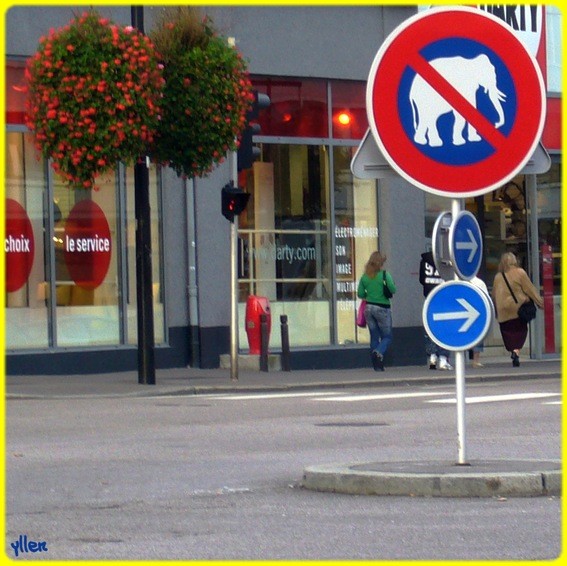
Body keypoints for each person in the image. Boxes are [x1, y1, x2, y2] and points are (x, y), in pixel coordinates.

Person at [491, 252, 543, 367]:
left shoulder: (498, 277)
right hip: (517, 309)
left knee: (508, 333)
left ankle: (513, 351)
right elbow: (530, 289)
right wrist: (540, 303)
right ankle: (516, 352)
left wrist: (494, 310)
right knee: (520, 332)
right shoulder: (520, 273)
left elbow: (494, 295)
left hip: (503, 312)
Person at [357, 251, 396, 371]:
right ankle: (378, 352)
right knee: (387, 337)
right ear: (380, 263)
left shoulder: (365, 277)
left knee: (374, 336)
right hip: (382, 308)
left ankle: (377, 366)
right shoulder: (385, 275)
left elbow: (360, 294)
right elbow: (393, 289)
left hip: (368, 308)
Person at [419, 251, 452, 370]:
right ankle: (443, 358)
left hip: (429, 298)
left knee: (430, 328)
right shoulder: (444, 261)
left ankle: (432, 357)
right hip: (443, 297)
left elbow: (421, 279)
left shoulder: (424, 261)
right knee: (444, 328)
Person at [469, 275, 489, 368]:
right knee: (478, 337)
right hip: (477, 313)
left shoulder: (458, 282)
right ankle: (475, 360)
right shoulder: (479, 282)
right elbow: (486, 299)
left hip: (463, 313)